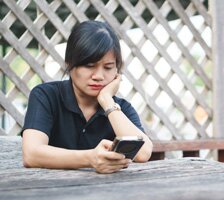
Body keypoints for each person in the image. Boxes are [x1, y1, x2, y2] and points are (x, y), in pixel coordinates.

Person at [22, 20, 153, 174]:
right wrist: (90, 158)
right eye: (89, 66)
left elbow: (144, 153)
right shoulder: (45, 96)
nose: (98, 76)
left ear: (117, 70)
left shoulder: (120, 108)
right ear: (70, 64)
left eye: (108, 67)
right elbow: (31, 155)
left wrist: (106, 101)